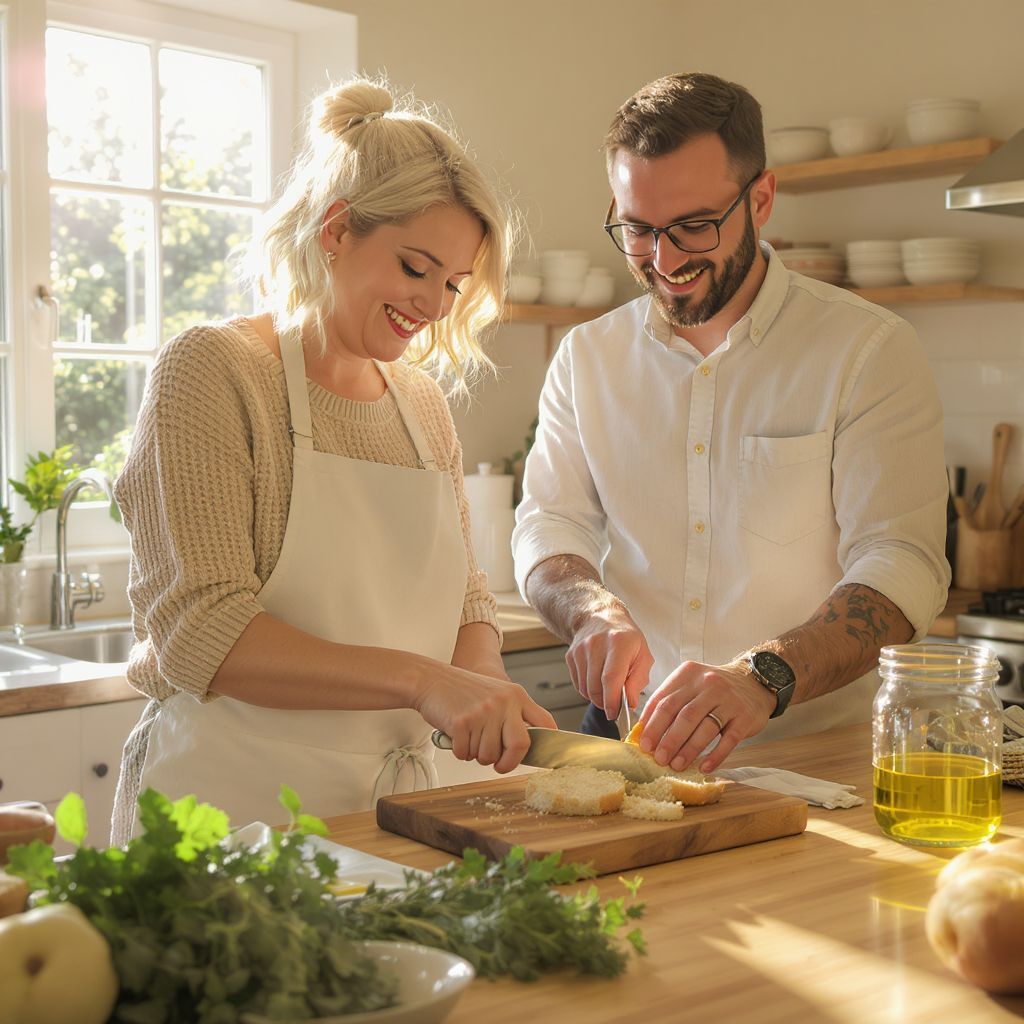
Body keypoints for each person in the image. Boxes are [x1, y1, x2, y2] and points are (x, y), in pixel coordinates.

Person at [110, 77, 555, 843]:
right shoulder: (212, 371)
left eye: (452, 284)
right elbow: (201, 630)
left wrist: (480, 680)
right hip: (231, 808)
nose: (434, 306)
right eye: (415, 268)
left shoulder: (421, 405)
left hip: (395, 811)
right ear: (336, 231)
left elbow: (468, 602)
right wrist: (426, 682)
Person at [512, 72, 949, 777]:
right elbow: (547, 525)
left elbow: (903, 563)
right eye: (638, 229)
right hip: (629, 737)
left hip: (812, 750)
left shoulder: (867, 350)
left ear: (762, 198)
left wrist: (762, 677)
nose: (666, 260)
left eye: (694, 226)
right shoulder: (586, 357)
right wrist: (589, 609)